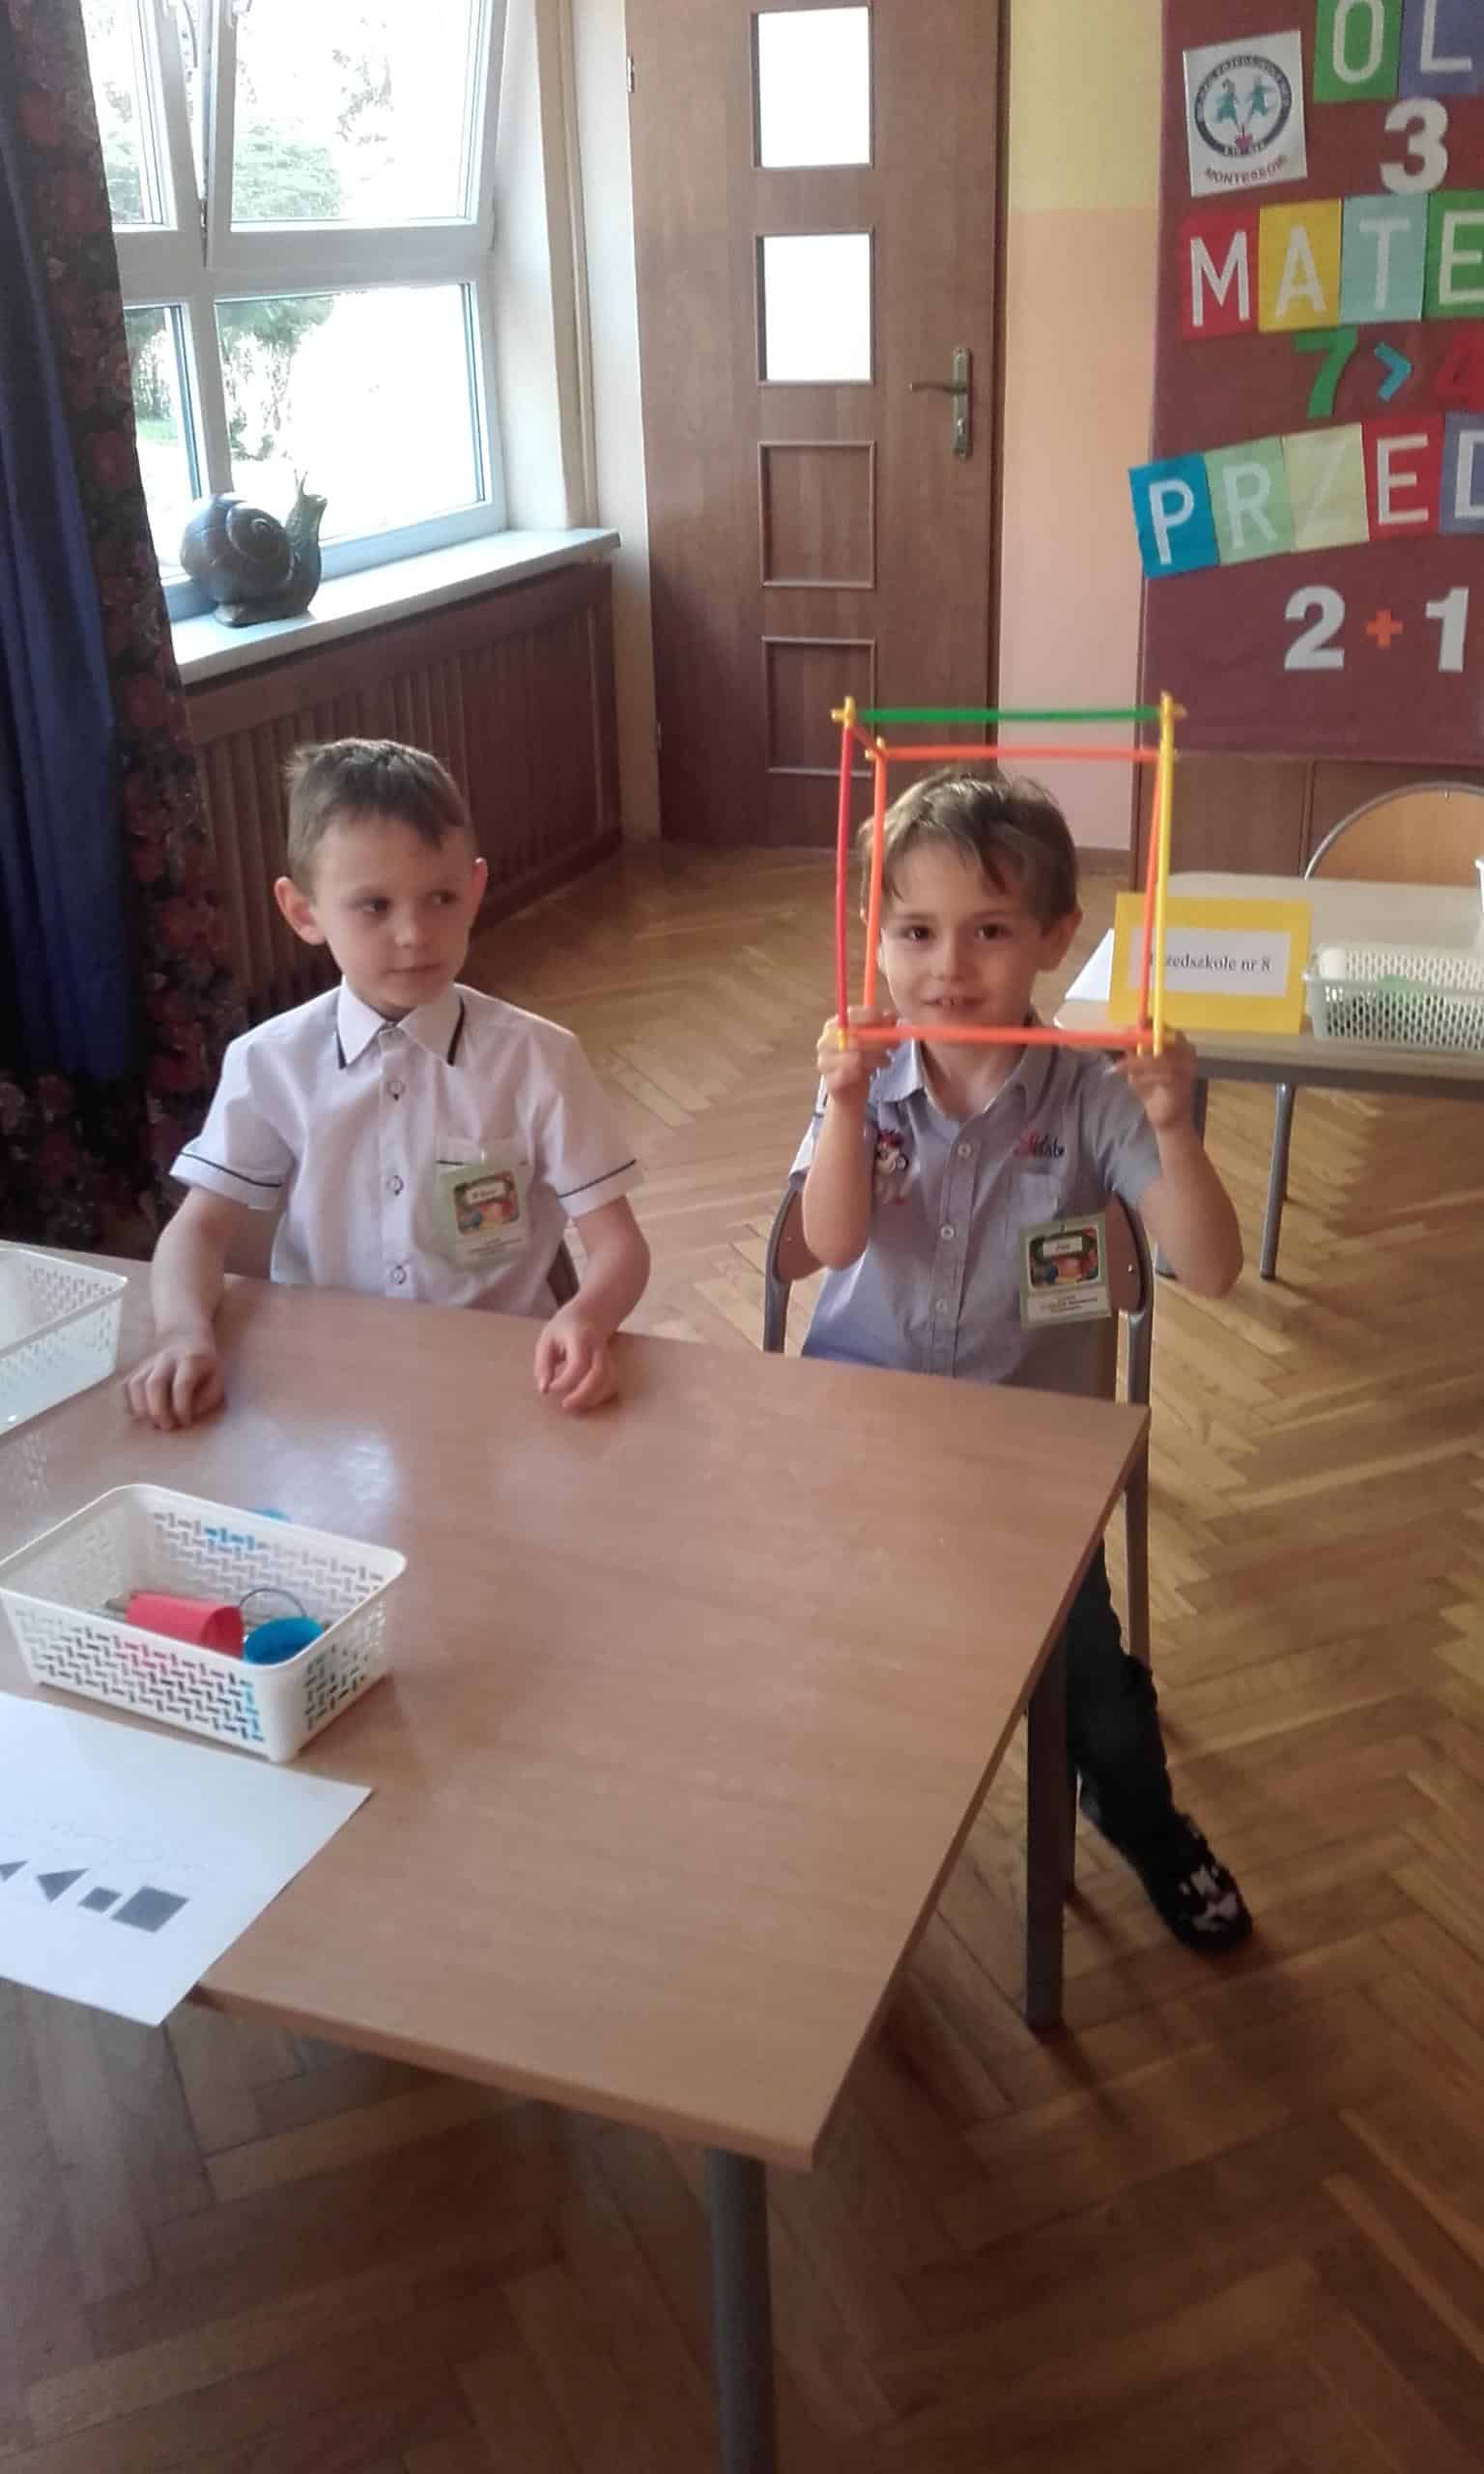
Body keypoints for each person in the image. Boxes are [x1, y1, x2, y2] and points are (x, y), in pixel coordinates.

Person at [795, 766, 1251, 1952]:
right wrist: (841, 1107)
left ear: (1055, 936)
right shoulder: (867, 1076)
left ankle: (1141, 1816)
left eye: (989, 931)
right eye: (915, 931)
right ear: (875, 938)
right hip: (864, 1438)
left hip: (1030, 1460)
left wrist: (1171, 1125)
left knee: (1087, 1675)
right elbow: (829, 1242)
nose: (948, 965)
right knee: (832, 1646)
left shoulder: (1094, 1095)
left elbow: (1210, 1268)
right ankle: (849, 1817)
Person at [126, 738, 648, 1430]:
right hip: (325, 1395)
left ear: (475, 891)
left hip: (503, 1388)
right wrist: (181, 1332)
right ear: (303, 912)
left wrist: (588, 1318)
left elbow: (620, 1247)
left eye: (441, 898)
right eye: (374, 906)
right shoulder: (269, 1062)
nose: (414, 934)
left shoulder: (539, 1059)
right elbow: (199, 1228)